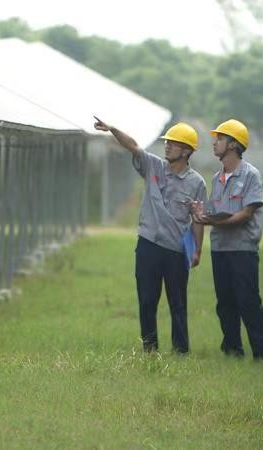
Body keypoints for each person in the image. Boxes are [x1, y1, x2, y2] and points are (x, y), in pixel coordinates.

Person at [94, 117, 206, 354]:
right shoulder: (152, 166)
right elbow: (133, 146)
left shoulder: (197, 183)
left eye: (173, 143)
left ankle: (180, 351)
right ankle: (150, 349)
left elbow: (197, 218)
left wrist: (197, 249)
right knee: (147, 301)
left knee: (177, 303)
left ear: (186, 151)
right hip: (148, 246)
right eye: (167, 142)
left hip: (176, 251)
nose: (167, 146)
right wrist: (113, 129)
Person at [191, 119, 263, 362]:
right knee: (224, 302)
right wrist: (200, 214)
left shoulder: (250, 175)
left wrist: (213, 222)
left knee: (247, 301)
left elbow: (246, 214)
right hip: (220, 249)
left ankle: (262, 354)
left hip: (243, 249)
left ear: (234, 144)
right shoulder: (217, 179)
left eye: (220, 139)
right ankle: (232, 350)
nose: (215, 144)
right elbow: (214, 210)